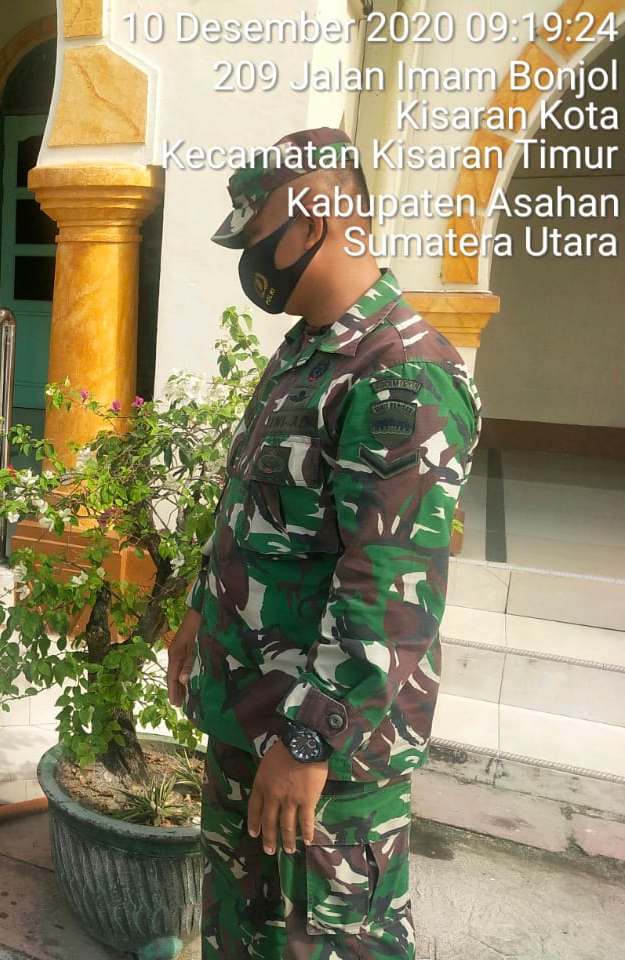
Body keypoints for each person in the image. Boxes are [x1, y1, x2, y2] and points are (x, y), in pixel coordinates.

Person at [166, 128, 481, 960]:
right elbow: (257, 508)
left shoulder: (402, 374)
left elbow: (387, 593)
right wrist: (203, 611)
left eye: (259, 233)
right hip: (252, 717)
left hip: (323, 759)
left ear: (315, 221)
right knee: (244, 936)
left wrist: (310, 744)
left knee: (323, 943)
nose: (252, 259)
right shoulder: (309, 350)